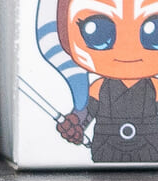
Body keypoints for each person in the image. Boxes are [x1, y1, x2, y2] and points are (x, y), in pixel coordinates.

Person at [40, 0, 158, 162]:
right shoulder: (98, 88)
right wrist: (75, 126)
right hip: (107, 149)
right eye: (98, 32)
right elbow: (84, 115)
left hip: (149, 148)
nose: (126, 51)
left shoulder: (155, 87)